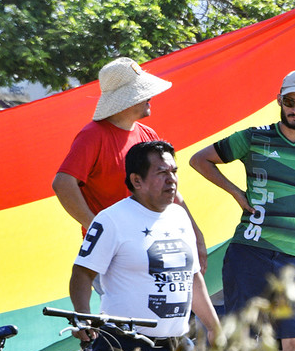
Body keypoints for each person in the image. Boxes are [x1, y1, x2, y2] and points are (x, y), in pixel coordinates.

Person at [189, 70, 295, 351]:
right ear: (279, 100)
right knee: (243, 340)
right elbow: (199, 159)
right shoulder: (254, 137)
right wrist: (235, 192)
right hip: (249, 251)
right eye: (289, 101)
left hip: (294, 258)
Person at [69, 141, 221, 351]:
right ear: (136, 180)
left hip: (175, 347)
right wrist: (82, 316)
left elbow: (193, 278)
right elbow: (82, 273)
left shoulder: (180, 216)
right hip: (125, 348)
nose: (171, 179)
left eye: (174, 171)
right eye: (161, 172)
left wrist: (214, 327)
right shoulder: (110, 219)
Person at [53, 57, 206, 269]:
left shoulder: (148, 134)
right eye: (143, 91)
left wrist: (195, 233)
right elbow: (62, 183)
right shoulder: (93, 135)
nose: (150, 96)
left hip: (149, 244)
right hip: (113, 253)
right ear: (126, 98)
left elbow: (168, 188)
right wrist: (98, 228)